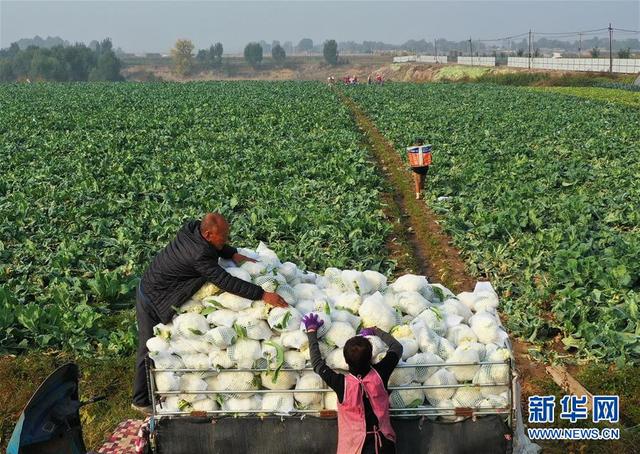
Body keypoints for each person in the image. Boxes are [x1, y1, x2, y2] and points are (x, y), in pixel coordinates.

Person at [132, 213, 288, 414]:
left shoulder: (193, 228)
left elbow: (215, 247)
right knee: (148, 348)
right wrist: (262, 294)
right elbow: (224, 281)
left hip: (156, 286)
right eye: (224, 237)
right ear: (207, 234)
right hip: (153, 298)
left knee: (152, 347)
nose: (227, 240)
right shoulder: (198, 255)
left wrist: (230, 253)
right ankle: (141, 400)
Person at [302, 313, 402, 454]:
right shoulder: (381, 373)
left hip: (354, 448)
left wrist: (312, 332)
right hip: (383, 445)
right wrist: (376, 330)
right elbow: (397, 347)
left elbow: (317, 363)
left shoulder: (341, 384)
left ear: (346, 361)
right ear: (371, 357)